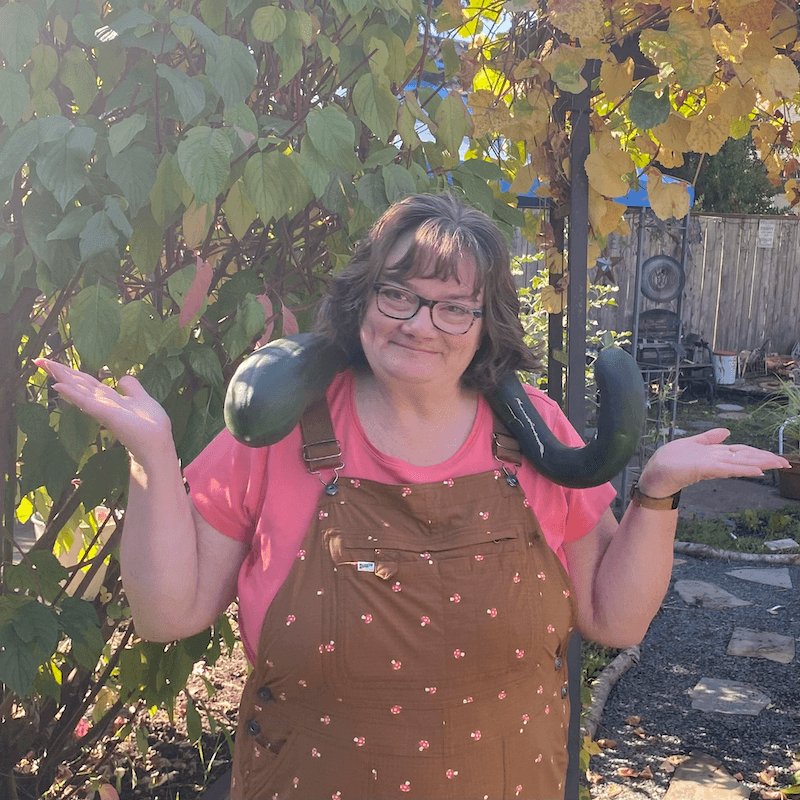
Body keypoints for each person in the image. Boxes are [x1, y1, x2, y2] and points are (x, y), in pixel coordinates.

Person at [36, 193, 790, 800]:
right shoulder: (280, 431)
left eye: (453, 305)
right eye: (398, 294)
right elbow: (168, 615)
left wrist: (656, 493)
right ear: (364, 301)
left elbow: (615, 621)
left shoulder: (536, 433)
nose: (420, 324)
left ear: (482, 322)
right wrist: (151, 455)